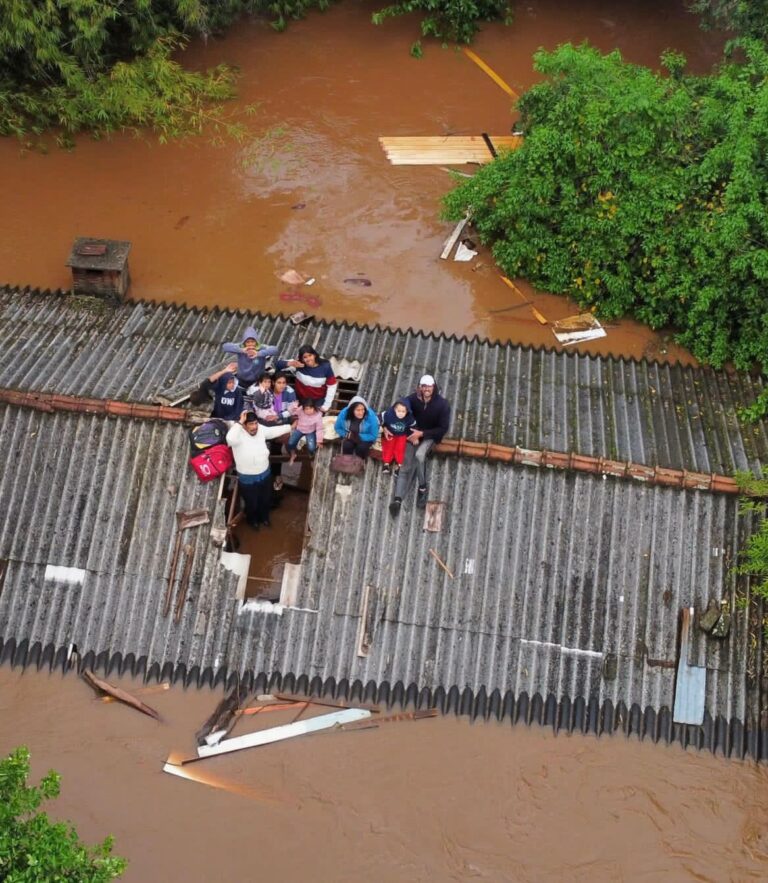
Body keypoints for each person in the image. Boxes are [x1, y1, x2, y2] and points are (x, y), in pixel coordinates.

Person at [390, 375, 450, 517]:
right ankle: (397, 500)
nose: (426, 389)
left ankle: (422, 488)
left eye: (429, 386)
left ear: (433, 387)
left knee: (419, 455)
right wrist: (387, 425)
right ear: (420, 387)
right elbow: (398, 409)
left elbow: (442, 429)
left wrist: (421, 434)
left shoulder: (442, 404)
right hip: (413, 435)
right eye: (423, 386)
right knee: (405, 465)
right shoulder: (413, 399)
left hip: (429, 436)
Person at [226, 410, 290, 529]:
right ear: (244, 425)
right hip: (247, 478)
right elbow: (229, 440)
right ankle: (252, 521)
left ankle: (264, 518)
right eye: (250, 424)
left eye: (255, 423)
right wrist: (239, 422)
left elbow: (273, 431)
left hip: (264, 474)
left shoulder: (261, 429)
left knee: (265, 500)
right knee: (252, 503)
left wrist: (290, 427)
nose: (254, 427)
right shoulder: (237, 434)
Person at [279, 345, 337, 412]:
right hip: (299, 401)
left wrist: (326, 405)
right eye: (305, 357)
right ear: (302, 359)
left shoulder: (325, 367)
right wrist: (291, 363)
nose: (308, 359)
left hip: (317, 402)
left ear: (314, 355)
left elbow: (332, 386)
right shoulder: (298, 365)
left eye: (310, 355)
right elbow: (277, 364)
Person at [334, 396, 380, 460]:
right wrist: (347, 435)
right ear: (352, 410)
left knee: (361, 448)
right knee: (347, 445)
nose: (361, 412)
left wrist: (358, 436)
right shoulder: (344, 414)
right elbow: (337, 428)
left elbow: (373, 435)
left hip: (365, 438)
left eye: (363, 409)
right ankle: (347, 462)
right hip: (350, 435)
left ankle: (359, 462)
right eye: (358, 410)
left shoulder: (371, 417)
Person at [380, 398, 416, 475]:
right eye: (399, 411)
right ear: (394, 409)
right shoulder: (389, 414)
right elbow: (380, 418)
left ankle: (399, 465)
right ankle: (386, 463)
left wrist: (412, 436)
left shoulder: (409, 418)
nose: (400, 413)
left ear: (407, 411)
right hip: (391, 434)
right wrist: (383, 427)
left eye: (403, 411)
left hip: (402, 436)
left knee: (400, 449)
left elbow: (413, 426)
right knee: (388, 447)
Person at [287, 399, 325, 463]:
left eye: (310, 408)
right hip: (299, 429)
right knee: (290, 443)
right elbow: (291, 412)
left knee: (311, 448)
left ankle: (311, 454)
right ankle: (293, 454)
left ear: (314, 407)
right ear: (303, 408)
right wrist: (293, 405)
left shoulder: (318, 415)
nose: (308, 411)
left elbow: (319, 429)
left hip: (310, 431)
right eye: (306, 409)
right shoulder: (300, 410)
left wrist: (319, 441)